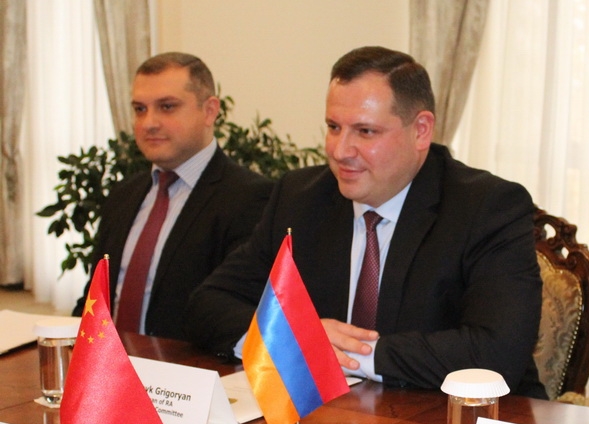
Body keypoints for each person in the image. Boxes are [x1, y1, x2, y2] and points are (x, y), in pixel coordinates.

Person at [185, 46, 546, 398]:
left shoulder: (486, 207)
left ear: (421, 130)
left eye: (365, 131)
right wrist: (286, 337)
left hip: (460, 419)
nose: (340, 151)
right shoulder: (301, 198)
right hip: (335, 416)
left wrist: (348, 353)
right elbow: (207, 303)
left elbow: (496, 353)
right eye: (333, 127)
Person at [73, 52, 273, 341]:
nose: (149, 123)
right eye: (140, 109)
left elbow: (232, 315)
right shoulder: (123, 195)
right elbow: (92, 301)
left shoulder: (251, 198)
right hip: (103, 362)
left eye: (167, 107)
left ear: (209, 111)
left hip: (184, 366)